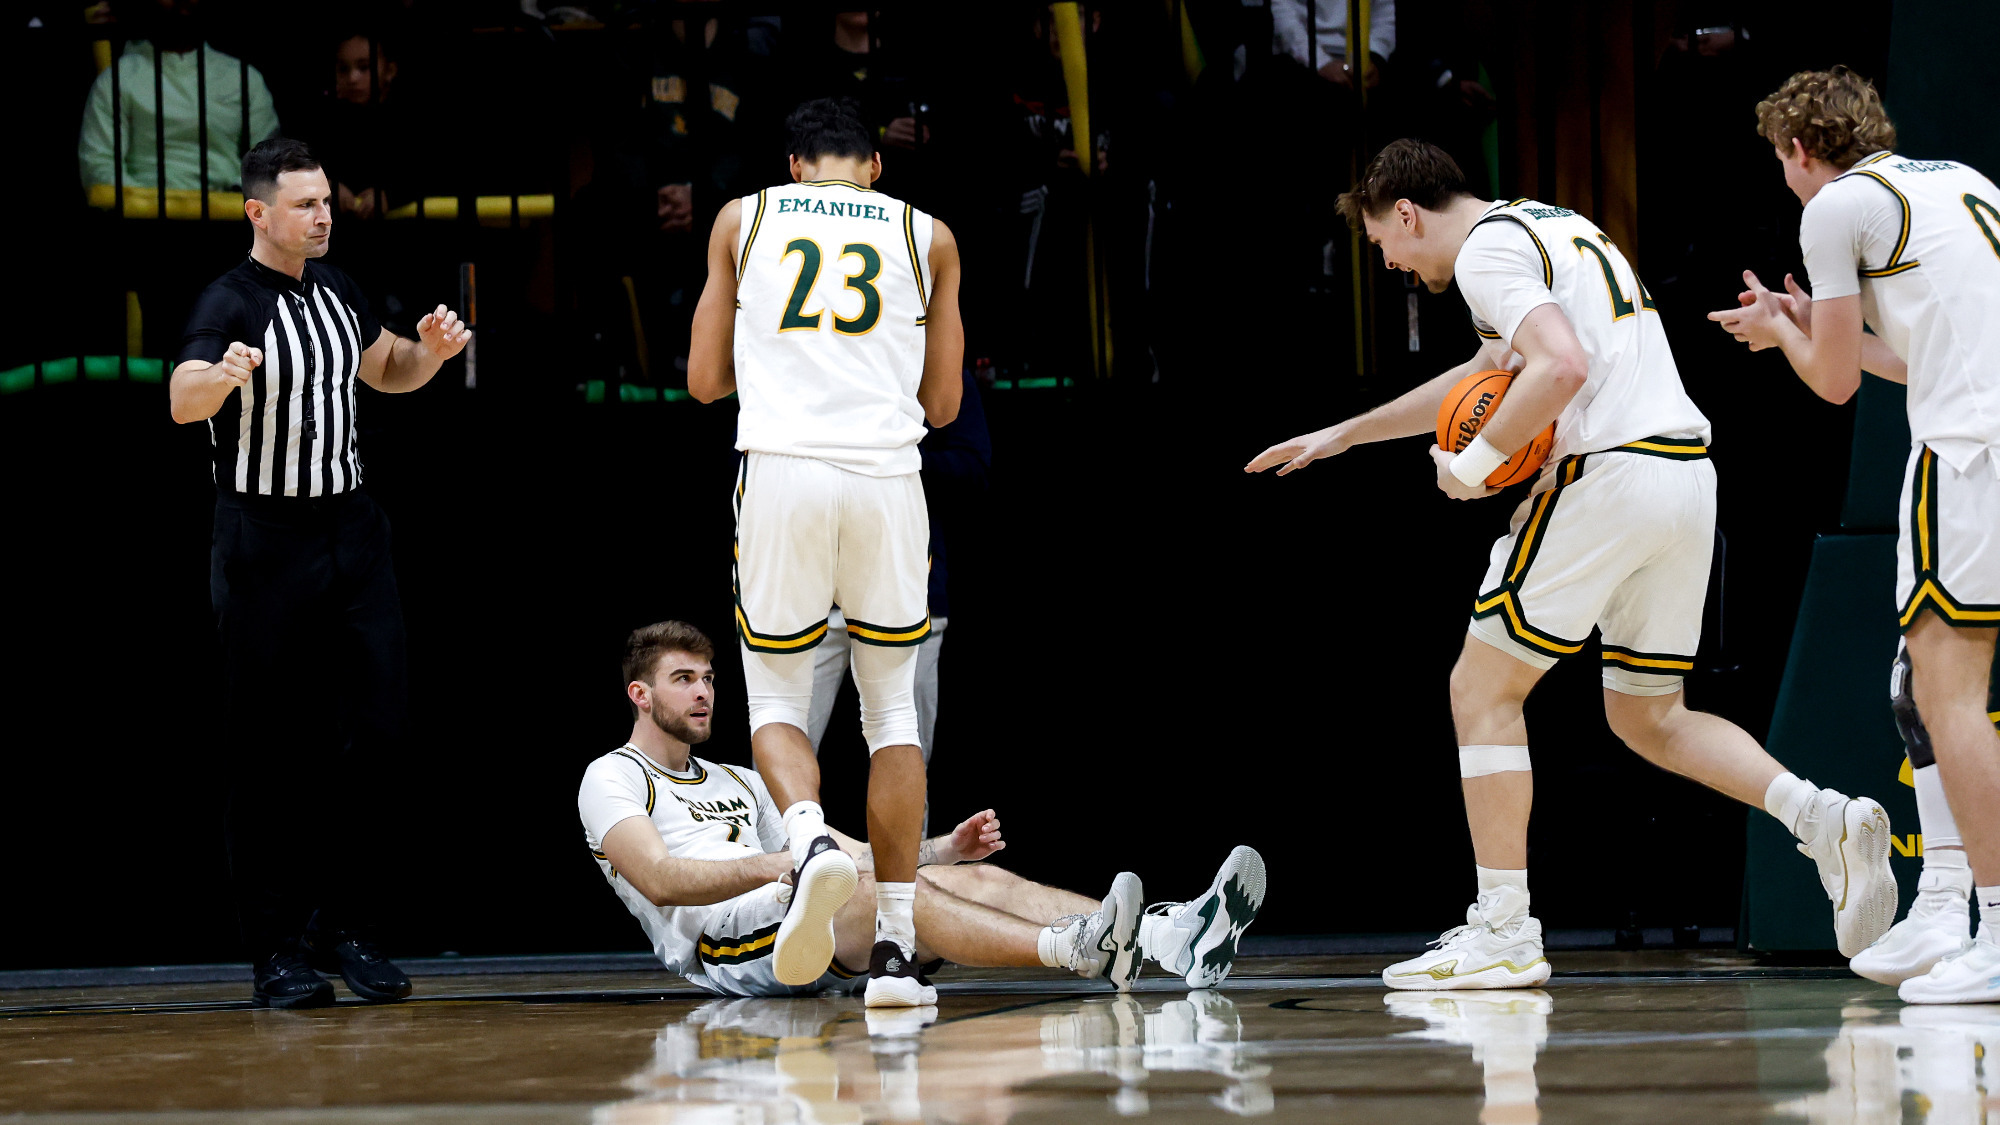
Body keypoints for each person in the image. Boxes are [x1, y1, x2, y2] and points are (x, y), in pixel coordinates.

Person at [1246, 138, 1897, 990]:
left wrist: (1472, 468)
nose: (1392, 263)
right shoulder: (1549, 228)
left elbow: (1559, 366)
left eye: (1382, 244)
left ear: (1404, 212)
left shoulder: (1484, 253)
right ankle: (1822, 816)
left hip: (1609, 474)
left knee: (1480, 688)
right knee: (1649, 715)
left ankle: (1504, 928)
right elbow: (1485, 372)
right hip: (1684, 475)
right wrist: (1345, 434)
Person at [1707, 67, 2000, 1004]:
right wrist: (1804, 318)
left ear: (1800, 151)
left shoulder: (1835, 208)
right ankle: (1948, 900)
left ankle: (1994, 923)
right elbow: (1908, 352)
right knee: (1916, 684)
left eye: (1781, 162)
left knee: (1950, 694)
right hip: (1982, 433)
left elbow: (1833, 385)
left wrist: (1786, 338)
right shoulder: (1959, 181)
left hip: (1965, 452)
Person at [170, 137, 470, 1009]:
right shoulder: (229, 299)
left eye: (327, 200)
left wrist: (434, 356)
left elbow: (387, 370)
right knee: (270, 750)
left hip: (353, 530)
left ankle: (349, 928)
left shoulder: (339, 291)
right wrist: (220, 378)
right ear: (259, 213)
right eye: (305, 204)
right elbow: (182, 396)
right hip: (263, 539)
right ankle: (276, 947)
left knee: (378, 730)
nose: (324, 214)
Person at [578, 622, 1269, 999]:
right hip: (729, 946)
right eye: (684, 679)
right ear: (640, 693)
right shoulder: (612, 775)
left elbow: (842, 849)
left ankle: (1166, 938)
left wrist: (939, 849)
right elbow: (661, 878)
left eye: (708, 679)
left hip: (799, 904)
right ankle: (1074, 949)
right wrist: (785, 863)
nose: (703, 693)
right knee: (880, 893)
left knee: (952, 881)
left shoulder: (739, 775)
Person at [686, 97, 963, 1007]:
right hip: (888, 481)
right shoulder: (932, 236)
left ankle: (807, 839)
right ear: (875, 166)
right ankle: (893, 949)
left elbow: (703, 382)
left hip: (784, 475)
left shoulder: (746, 215)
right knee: (893, 718)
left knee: (775, 697)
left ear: (796, 165)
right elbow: (947, 403)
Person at [806, 367, 991, 806]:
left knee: (904, 754)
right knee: (782, 742)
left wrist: (894, 452)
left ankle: (905, 876)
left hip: (908, 591)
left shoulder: (930, 361)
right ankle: (779, 871)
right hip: (809, 590)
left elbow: (973, 469)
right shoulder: (811, 355)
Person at [78, 0, 279, 195]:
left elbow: (268, 160)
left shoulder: (243, 77)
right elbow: (98, 162)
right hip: (140, 217)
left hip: (228, 215)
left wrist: (235, 199)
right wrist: (142, 203)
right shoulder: (120, 77)